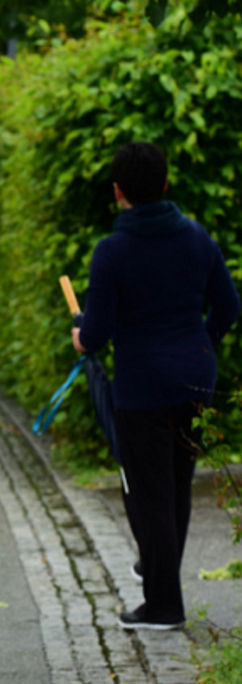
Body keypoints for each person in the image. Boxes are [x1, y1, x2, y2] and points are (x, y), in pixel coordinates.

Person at [72, 141, 238, 631]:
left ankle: (164, 604)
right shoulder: (196, 238)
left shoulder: (113, 250)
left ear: (118, 191)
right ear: (165, 185)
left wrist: (82, 335)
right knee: (175, 486)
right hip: (195, 378)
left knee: (147, 493)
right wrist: (198, 345)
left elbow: (97, 335)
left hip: (142, 383)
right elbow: (228, 307)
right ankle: (161, 580)